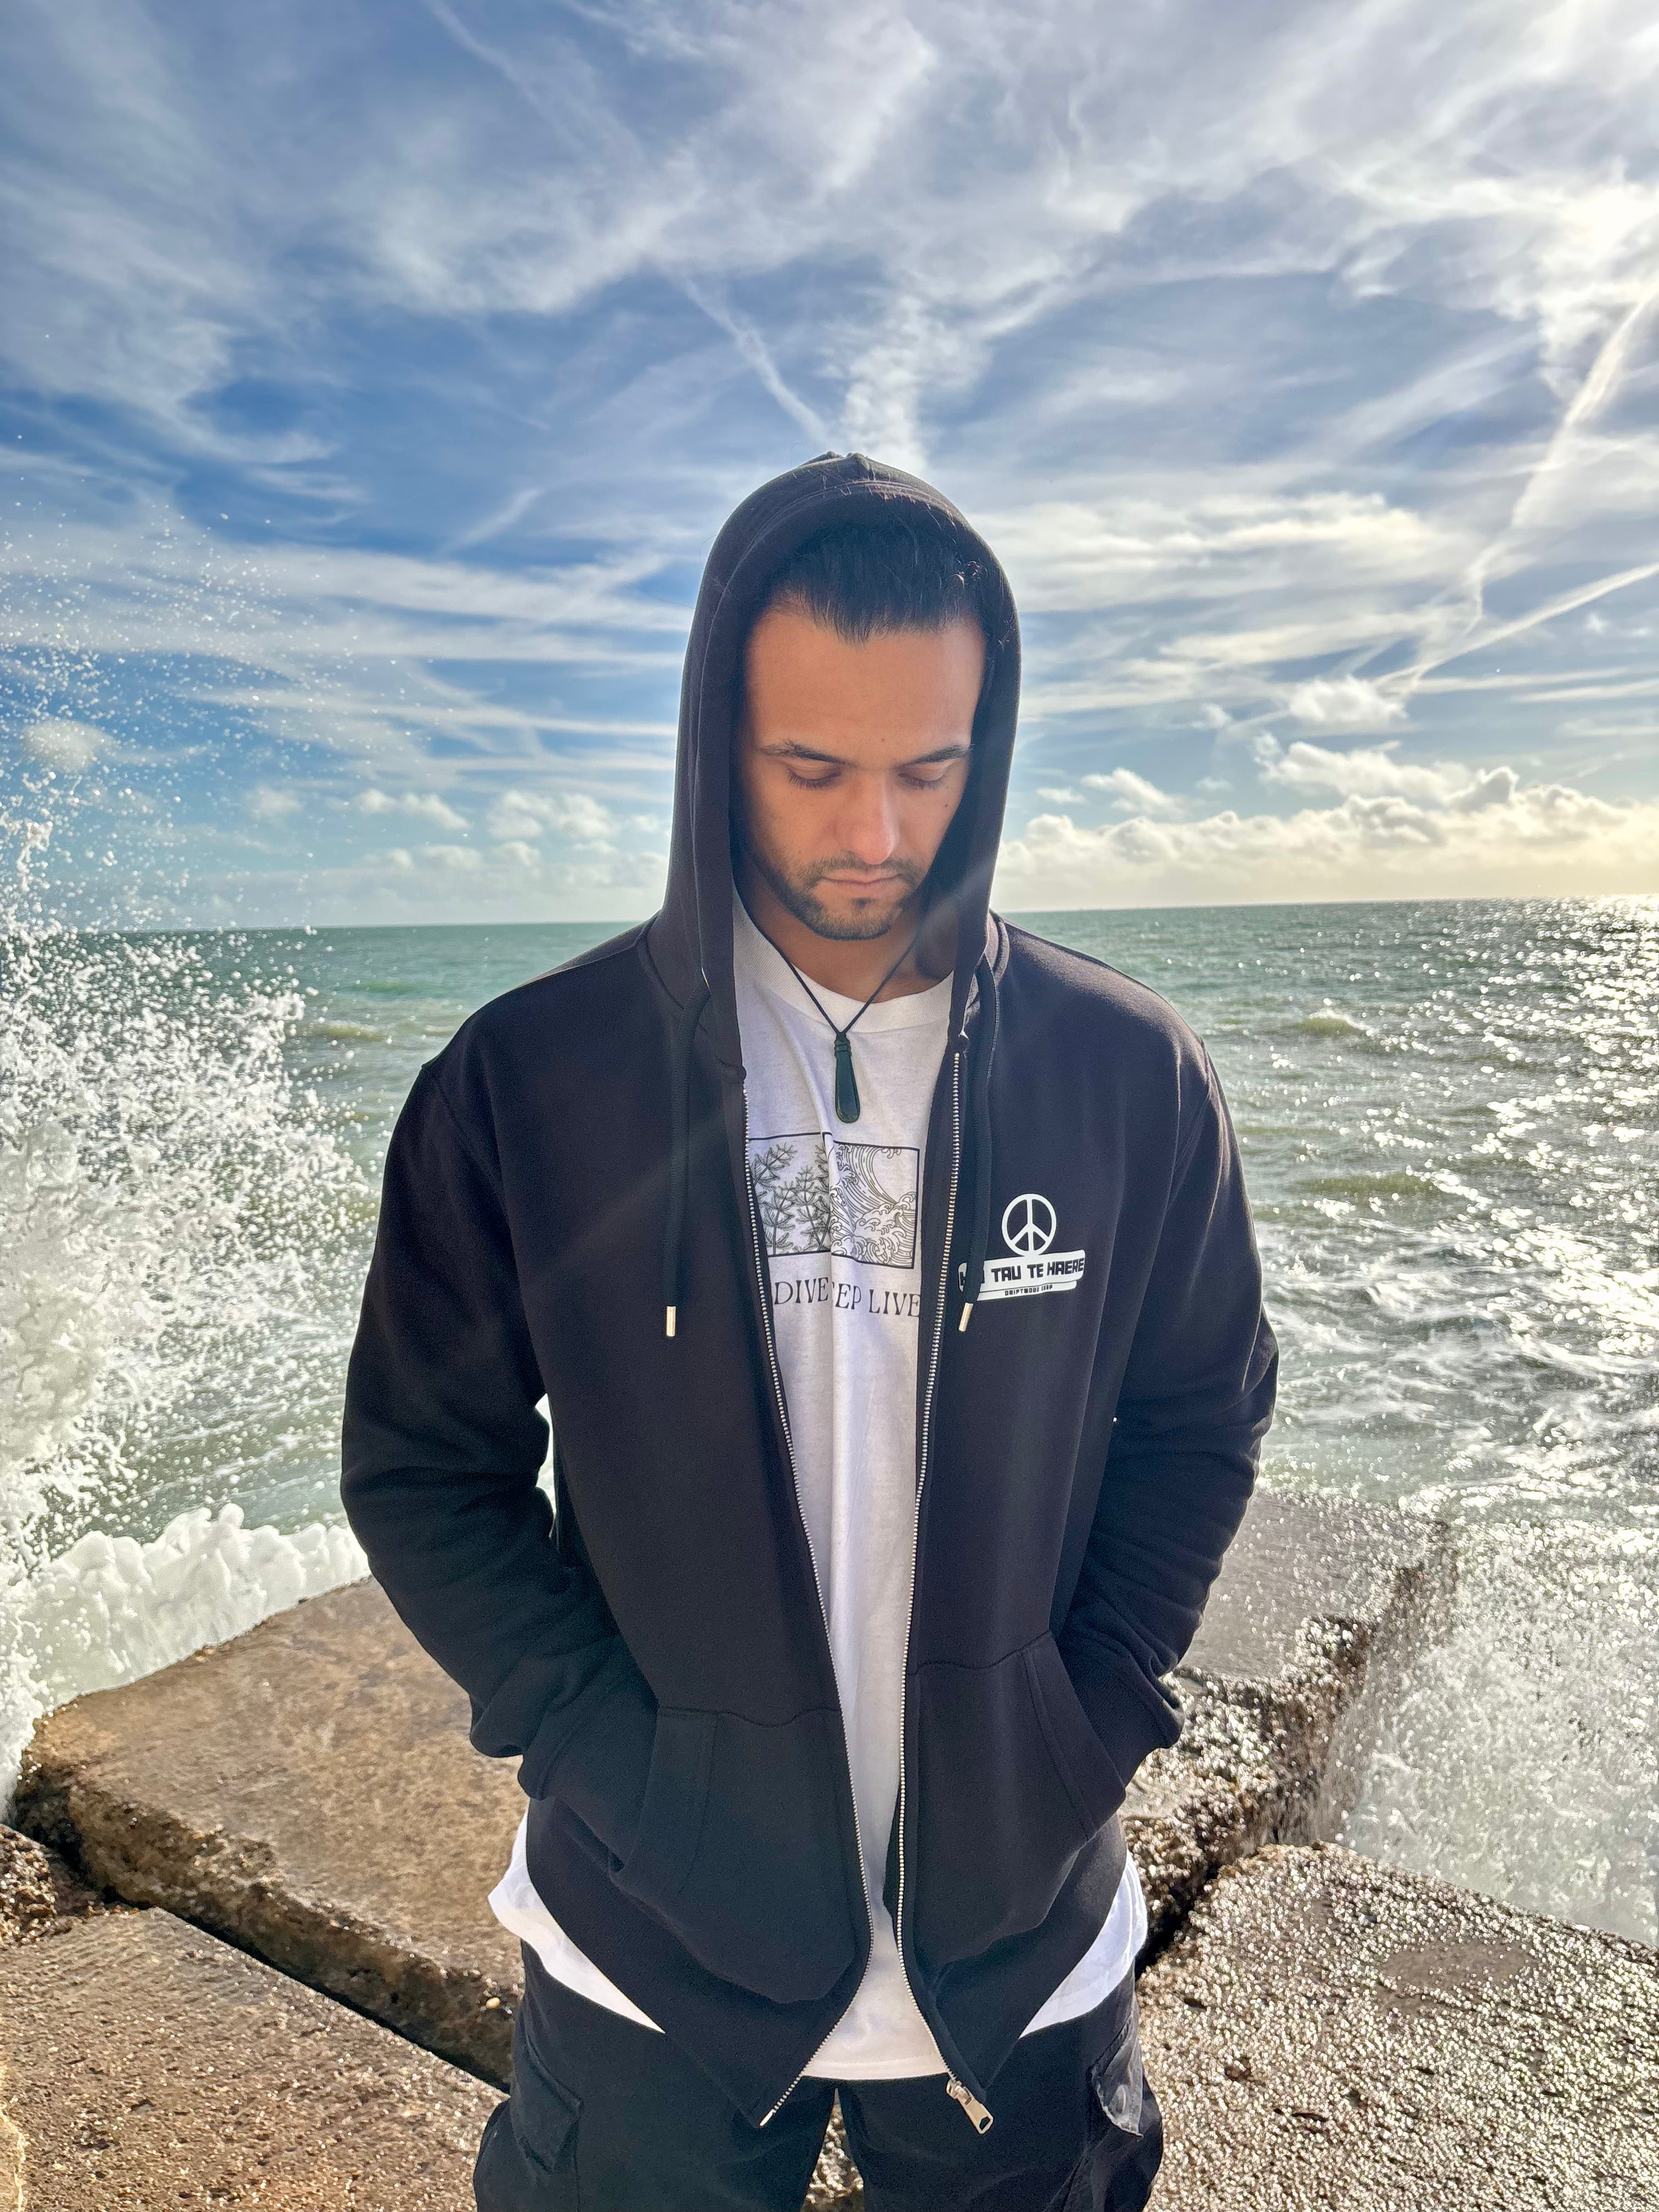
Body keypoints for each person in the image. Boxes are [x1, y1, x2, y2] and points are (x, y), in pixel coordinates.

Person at [341, 451, 1277, 2211]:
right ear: (715, 745)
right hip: (644, 1955)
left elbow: (1204, 1413)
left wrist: (1080, 1717)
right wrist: (612, 1753)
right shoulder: (531, 1082)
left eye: (930, 770)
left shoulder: (1128, 1074)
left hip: (1025, 1957)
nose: (875, 835)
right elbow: (421, 1468)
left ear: (990, 745)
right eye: (813, 768)